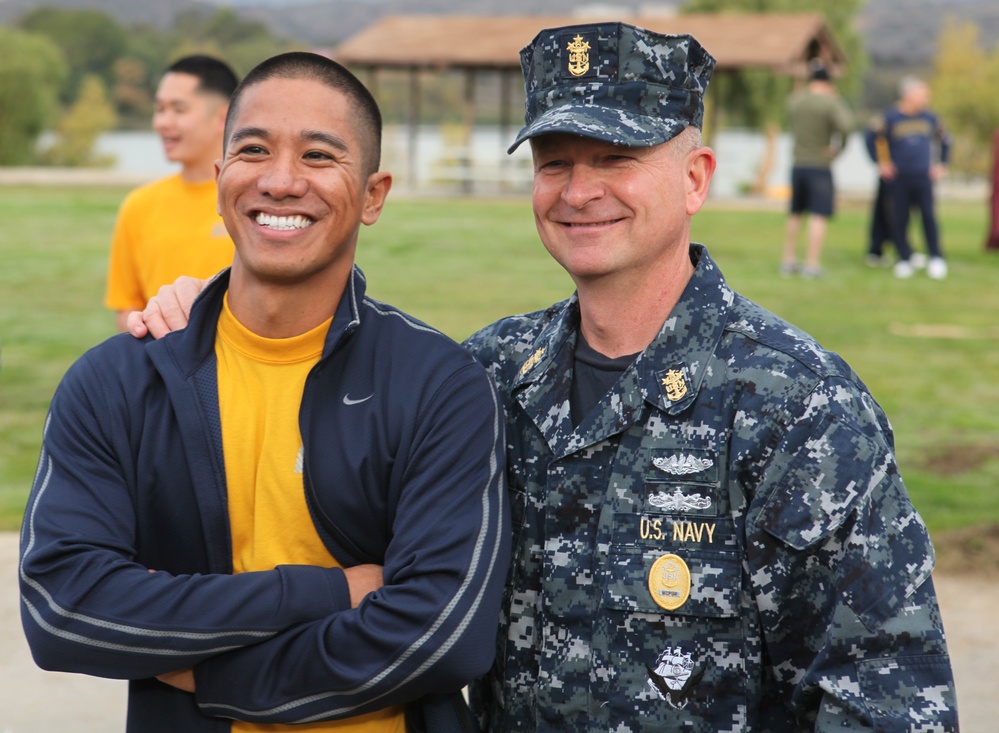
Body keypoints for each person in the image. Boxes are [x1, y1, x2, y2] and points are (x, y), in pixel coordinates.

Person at [128, 23, 959, 732]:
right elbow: (387, 591)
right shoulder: (486, 374)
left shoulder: (798, 405)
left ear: (694, 177)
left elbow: (884, 691)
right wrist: (222, 311)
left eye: (615, 156)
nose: (579, 190)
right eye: (554, 161)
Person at [20, 51, 509, 733]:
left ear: (372, 194)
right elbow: (64, 609)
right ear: (221, 180)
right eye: (253, 150)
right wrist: (329, 589)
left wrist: (215, 675)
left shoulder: (437, 384)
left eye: (318, 156)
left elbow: (441, 634)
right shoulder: (117, 383)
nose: (281, 181)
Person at [104, 55, 239, 331]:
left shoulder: (253, 201)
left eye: (178, 110)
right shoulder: (139, 205)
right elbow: (127, 308)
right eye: (160, 109)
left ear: (223, 117)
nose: (163, 122)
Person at [865, 76, 952, 279]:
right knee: (899, 218)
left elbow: (946, 139)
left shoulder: (930, 118)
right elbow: (870, 139)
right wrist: (882, 163)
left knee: (929, 216)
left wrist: (942, 164)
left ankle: (936, 257)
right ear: (909, 95)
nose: (926, 98)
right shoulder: (889, 118)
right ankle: (904, 257)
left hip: (922, 176)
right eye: (923, 94)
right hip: (899, 177)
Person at [781, 62, 852, 278]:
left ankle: (788, 260)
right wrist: (838, 150)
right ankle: (811, 264)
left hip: (798, 163)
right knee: (818, 215)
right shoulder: (829, 103)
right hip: (820, 164)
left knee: (795, 213)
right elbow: (846, 125)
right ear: (828, 82)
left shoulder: (795, 101)